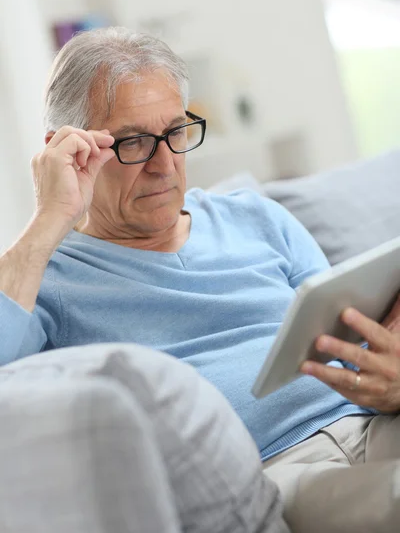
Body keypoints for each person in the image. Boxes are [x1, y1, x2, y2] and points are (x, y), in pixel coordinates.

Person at [1, 27, 400, 533]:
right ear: (68, 150)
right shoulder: (45, 276)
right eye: (133, 142)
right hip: (275, 471)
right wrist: (47, 219)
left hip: (372, 422)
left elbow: (351, 340)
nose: (164, 164)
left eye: (175, 132)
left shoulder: (257, 218)